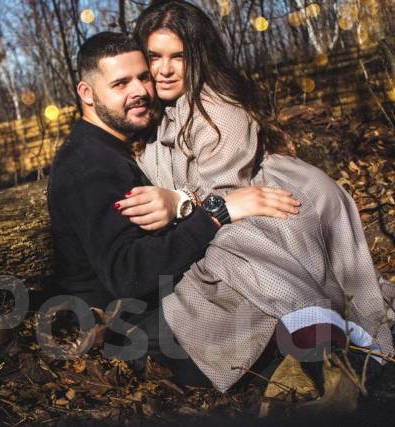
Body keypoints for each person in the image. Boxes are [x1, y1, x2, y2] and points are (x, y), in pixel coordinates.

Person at [113, 0, 395, 397]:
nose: (164, 69)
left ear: (198, 56)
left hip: (270, 206)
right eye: (155, 56)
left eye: (178, 56)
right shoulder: (154, 115)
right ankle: (312, 345)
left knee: (234, 248)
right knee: (209, 271)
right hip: (227, 213)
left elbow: (229, 196)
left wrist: (178, 202)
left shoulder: (217, 109)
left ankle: (328, 343)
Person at [47, 31, 299, 387]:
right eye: (120, 83)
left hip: (153, 304)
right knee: (259, 305)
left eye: (143, 77)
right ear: (87, 93)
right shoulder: (90, 166)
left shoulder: (110, 146)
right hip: (134, 327)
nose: (139, 91)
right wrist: (214, 213)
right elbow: (128, 274)